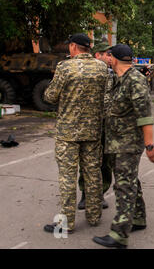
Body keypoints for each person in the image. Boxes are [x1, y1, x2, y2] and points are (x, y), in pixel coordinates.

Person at [93, 44, 154, 249]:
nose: (107, 59)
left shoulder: (135, 80)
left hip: (128, 144)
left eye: (108, 56)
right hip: (116, 142)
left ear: (113, 58)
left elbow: (145, 116)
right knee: (129, 180)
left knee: (124, 185)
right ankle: (138, 218)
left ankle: (119, 235)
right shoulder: (117, 79)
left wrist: (150, 146)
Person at [43, 33, 108, 234]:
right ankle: (94, 216)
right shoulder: (102, 67)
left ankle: (67, 223)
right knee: (93, 173)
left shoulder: (65, 67)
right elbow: (106, 98)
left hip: (67, 133)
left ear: (73, 47)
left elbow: (51, 96)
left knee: (68, 178)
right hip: (93, 131)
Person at [77, 42, 114, 210]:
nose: (110, 58)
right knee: (87, 160)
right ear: (97, 55)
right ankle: (86, 194)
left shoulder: (112, 74)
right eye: (107, 54)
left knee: (105, 161)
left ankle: (100, 194)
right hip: (88, 124)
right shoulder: (83, 73)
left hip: (106, 125)